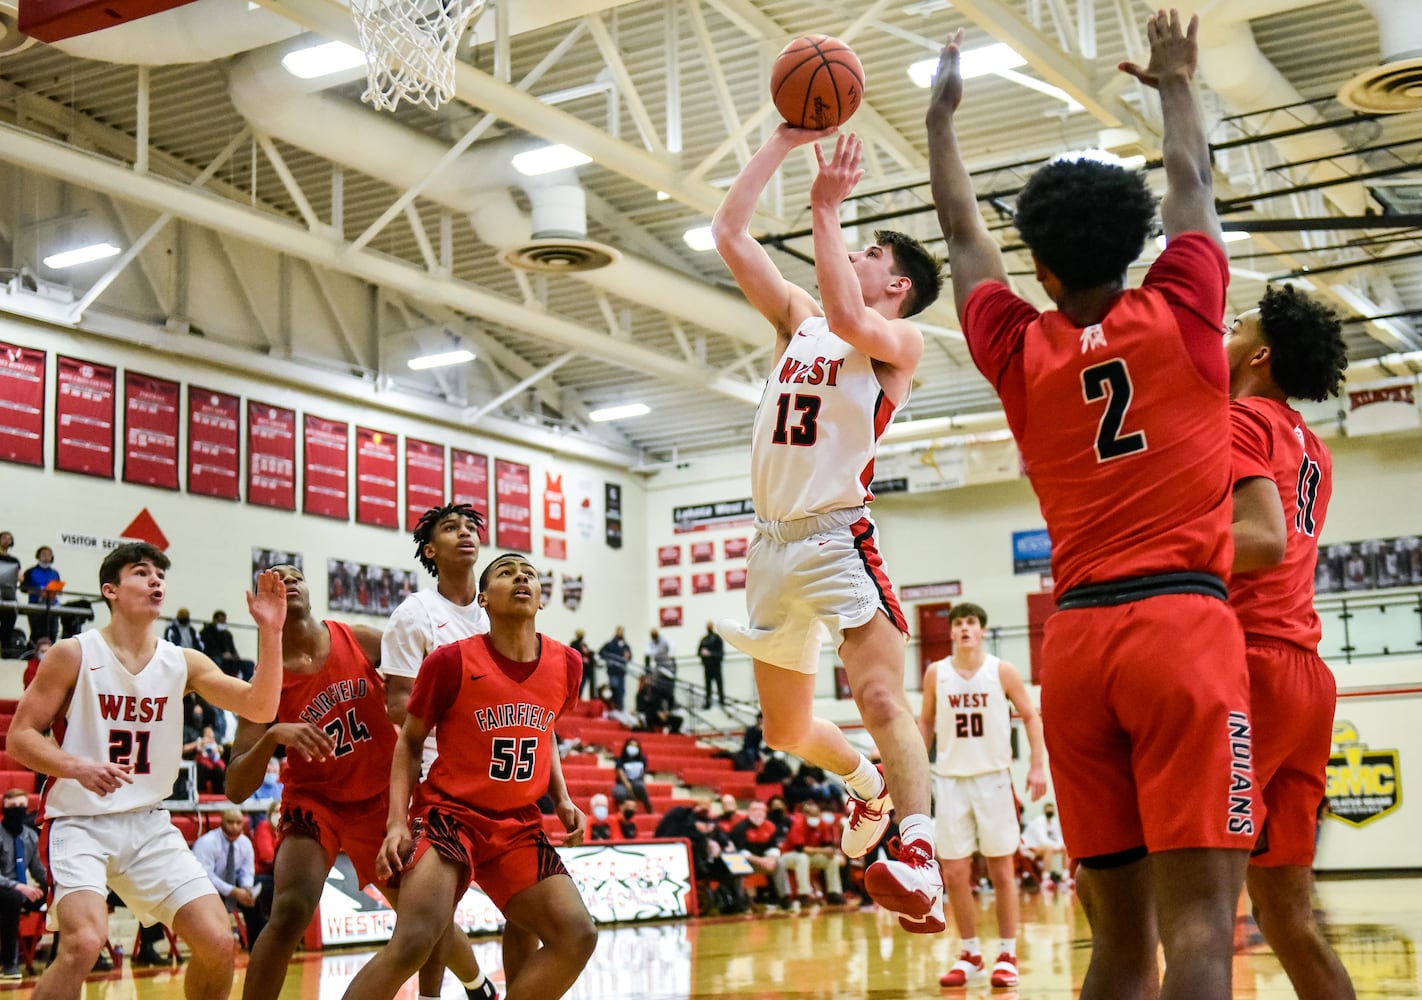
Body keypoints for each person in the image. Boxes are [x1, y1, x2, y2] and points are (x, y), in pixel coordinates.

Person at [926, 11, 1255, 998]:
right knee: (1200, 928)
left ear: (1042, 270)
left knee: (1117, 941)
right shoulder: (1186, 302)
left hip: (1073, 646)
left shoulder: (1018, 349)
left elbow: (957, 233)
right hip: (1185, 629)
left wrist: (940, 124)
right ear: (1140, 246)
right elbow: (1191, 181)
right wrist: (1175, 82)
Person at [711, 120, 945, 931]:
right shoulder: (796, 319)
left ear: (899, 286)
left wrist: (825, 206)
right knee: (785, 728)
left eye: (874, 255)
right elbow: (729, 232)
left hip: (837, 535)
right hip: (770, 545)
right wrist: (780, 141)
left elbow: (848, 312)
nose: (860, 258)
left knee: (881, 692)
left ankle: (919, 861)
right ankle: (867, 786)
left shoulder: (896, 342)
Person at [6, 542, 284, 1000]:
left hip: (148, 823)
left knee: (217, 941)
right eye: (142, 572)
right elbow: (21, 737)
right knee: (83, 943)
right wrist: (75, 766)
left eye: (160, 574)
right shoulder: (73, 653)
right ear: (110, 590)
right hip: (79, 822)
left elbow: (261, 704)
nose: (156, 580)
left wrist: (270, 633)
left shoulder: (182, 661)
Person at [225, 563, 496, 1000]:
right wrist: (275, 734)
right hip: (316, 804)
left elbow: (421, 686)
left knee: (425, 916)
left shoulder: (359, 639)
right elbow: (236, 786)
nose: (288, 581)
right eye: (274, 579)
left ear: (312, 591)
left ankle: (477, 985)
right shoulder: (266, 681)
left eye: (295, 574)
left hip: (380, 800)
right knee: (290, 910)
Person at [340, 553, 596, 1000]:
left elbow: (545, 728)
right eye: (506, 572)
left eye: (529, 574)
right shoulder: (450, 660)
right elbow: (410, 741)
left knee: (578, 934)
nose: (521, 577)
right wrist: (397, 823)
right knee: (415, 940)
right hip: (450, 817)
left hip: (518, 824)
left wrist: (564, 797)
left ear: (540, 600)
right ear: (483, 600)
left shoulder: (568, 664)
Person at [1225, 285, 1356, 1000]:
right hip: (1305, 671)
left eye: (1236, 326)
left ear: (1260, 355)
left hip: (1251, 666)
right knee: (1288, 915)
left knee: (1193, 903)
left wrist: (1152, 547)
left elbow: (1261, 544)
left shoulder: (1242, 418)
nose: (1224, 334)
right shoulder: (1314, 448)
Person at [380, 502, 511, 1000]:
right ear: (430, 550)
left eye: (470, 527)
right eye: (451, 529)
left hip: (500, 776)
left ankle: (485, 989)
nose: (466, 533)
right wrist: (464, 715)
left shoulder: (495, 611)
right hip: (438, 773)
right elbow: (396, 703)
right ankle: (448, 994)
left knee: (524, 913)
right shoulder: (416, 614)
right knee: (431, 916)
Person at [919, 602, 1047, 988]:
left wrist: (1037, 765)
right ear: (951, 632)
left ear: (982, 630)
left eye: (971, 622)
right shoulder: (936, 673)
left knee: (1001, 869)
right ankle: (971, 953)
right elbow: (925, 721)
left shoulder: (1001, 671)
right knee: (955, 873)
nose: (963, 629)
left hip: (993, 778)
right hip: (950, 779)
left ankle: (1007, 953)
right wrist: (914, 770)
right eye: (957, 623)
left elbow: (1030, 714)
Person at [191, 808, 265, 947]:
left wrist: (246, 888)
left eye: (238, 822)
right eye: (230, 822)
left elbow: (247, 871)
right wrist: (233, 891)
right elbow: (205, 876)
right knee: (210, 889)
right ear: (222, 822)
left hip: (231, 884)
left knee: (253, 900)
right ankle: (212, 946)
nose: (235, 826)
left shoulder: (245, 843)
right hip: (206, 888)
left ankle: (257, 947)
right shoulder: (207, 842)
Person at [0, 788, 45, 980]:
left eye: (21, 806)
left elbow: (38, 871)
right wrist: (18, 887)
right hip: (5, 890)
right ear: (3, 808)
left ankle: (58, 958)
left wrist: (55, 884)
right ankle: (9, 963)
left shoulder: (30, 836)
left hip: (22, 891)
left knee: (61, 895)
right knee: (11, 899)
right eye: (12, 806)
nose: (17, 810)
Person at [780, 801, 847, 905]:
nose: (814, 818)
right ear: (806, 815)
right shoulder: (798, 823)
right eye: (812, 815)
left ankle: (834, 893)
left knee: (831, 859)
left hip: (810, 856)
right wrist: (823, 851)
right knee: (802, 858)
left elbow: (827, 844)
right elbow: (800, 849)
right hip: (789, 855)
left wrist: (831, 852)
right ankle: (804, 894)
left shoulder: (822, 823)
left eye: (817, 815)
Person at [729, 800, 792, 909]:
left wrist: (771, 860)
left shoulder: (770, 826)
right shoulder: (740, 828)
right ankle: (742, 901)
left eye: (762, 810)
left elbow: (773, 847)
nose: (758, 813)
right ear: (749, 812)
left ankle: (784, 898)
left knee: (780, 862)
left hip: (763, 861)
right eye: (755, 810)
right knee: (737, 861)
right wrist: (762, 861)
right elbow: (741, 852)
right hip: (745, 862)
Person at [20, 545, 61, 646]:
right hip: (36, 607)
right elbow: (23, 588)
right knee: (37, 633)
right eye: (43, 554)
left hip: (52, 606)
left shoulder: (55, 573)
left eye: (49, 554)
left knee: (52, 633)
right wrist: (38, 592)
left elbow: (58, 588)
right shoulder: (30, 571)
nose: (46, 557)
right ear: (38, 556)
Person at [202, 611, 254, 681]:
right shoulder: (205, 632)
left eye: (223, 621)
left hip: (229, 660)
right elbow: (206, 650)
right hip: (214, 658)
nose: (222, 623)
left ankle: (245, 686)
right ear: (214, 620)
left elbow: (232, 649)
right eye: (220, 621)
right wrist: (221, 655)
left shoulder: (227, 634)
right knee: (217, 661)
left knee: (249, 664)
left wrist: (235, 655)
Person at [1022, 803, 1066, 884]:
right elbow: (1043, 840)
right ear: (1044, 811)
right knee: (1049, 849)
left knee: (1065, 848)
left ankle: (1066, 877)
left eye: (1051, 810)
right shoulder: (1039, 821)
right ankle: (1046, 879)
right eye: (1048, 810)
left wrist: (1061, 846)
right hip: (1028, 848)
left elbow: (1058, 837)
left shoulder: (1053, 821)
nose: (1050, 812)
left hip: (1042, 847)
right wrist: (1057, 847)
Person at [612, 738, 653, 814]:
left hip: (637, 782)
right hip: (622, 784)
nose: (633, 748)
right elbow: (622, 776)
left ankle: (649, 808)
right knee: (619, 793)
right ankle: (624, 811)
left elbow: (643, 774)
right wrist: (630, 790)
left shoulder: (642, 759)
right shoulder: (620, 759)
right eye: (631, 745)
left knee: (640, 786)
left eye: (635, 746)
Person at [598, 627, 632, 710]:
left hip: (621, 671)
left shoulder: (625, 645)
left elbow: (629, 656)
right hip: (613, 671)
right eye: (619, 631)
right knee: (614, 689)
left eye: (622, 632)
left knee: (622, 691)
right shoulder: (610, 644)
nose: (621, 633)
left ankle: (620, 707)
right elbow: (601, 653)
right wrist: (610, 659)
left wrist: (628, 656)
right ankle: (613, 707)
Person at [644, 628, 676, 708]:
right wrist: (648, 670)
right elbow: (647, 653)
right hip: (660, 668)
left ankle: (671, 706)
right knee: (657, 688)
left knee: (669, 690)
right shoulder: (651, 642)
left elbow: (672, 647)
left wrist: (669, 656)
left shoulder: (665, 639)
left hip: (669, 668)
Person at [697, 621, 725, 709]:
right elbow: (698, 652)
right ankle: (708, 702)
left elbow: (720, 653)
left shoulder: (717, 638)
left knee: (719, 683)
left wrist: (710, 654)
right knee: (708, 686)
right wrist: (703, 654)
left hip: (716, 666)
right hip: (707, 666)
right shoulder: (704, 639)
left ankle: (721, 701)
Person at [0, 531, 19, 657]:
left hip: (8, 594)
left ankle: (5, 652)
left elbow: (20, 576)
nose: (7, 540)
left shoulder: (14, 560)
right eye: (4, 538)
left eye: (9, 538)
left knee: (9, 621)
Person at [568, 629, 596, 701]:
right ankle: (576, 698)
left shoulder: (584, 645)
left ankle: (582, 698)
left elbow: (588, 653)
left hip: (587, 668)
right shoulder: (574, 643)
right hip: (579, 668)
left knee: (584, 684)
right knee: (579, 685)